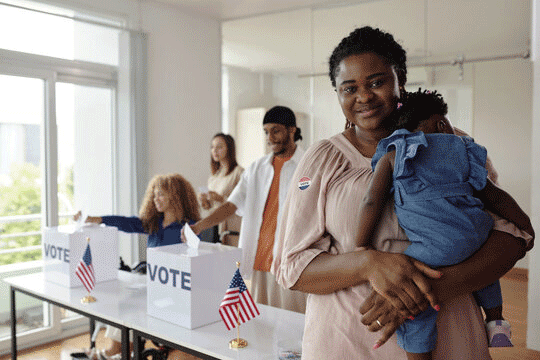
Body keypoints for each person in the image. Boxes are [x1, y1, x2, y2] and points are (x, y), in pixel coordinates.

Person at [271, 26, 534, 360]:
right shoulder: (324, 159)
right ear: (337, 95)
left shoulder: (454, 144)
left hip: (449, 333)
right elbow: (291, 267)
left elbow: (512, 236)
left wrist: (426, 292)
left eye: (377, 82)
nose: (363, 96)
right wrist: (367, 263)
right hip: (349, 339)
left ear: (401, 81)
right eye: (348, 88)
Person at [355, 89, 533, 359]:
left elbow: (371, 202)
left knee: (411, 290)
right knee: (484, 273)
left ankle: (419, 353)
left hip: (436, 245)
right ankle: (496, 321)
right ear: (441, 124)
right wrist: (525, 223)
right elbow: (493, 194)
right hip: (478, 234)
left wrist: (362, 245)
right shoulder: (464, 148)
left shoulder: (394, 154)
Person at [187, 105, 308, 313]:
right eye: (266, 132)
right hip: (258, 262)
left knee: (293, 329)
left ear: (292, 130)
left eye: (276, 130)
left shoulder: (308, 165)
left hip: (291, 262)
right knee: (259, 326)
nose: (269, 137)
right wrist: (199, 227)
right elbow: (231, 205)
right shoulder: (256, 169)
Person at [75, 173, 201, 360]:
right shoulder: (154, 223)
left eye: (161, 194)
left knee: (134, 303)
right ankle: (117, 351)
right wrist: (96, 219)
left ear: (175, 196)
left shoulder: (190, 227)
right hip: (155, 287)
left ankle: (120, 353)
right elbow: (127, 223)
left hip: (178, 293)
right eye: (154, 194)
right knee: (125, 301)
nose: (155, 199)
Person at [198, 133, 244, 246]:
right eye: (212, 147)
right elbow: (210, 208)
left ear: (229, 149)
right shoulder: (213, 177)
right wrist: (204, 201)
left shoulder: (238, 173)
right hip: (214, 228)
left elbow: (243, 203)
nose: (214, 150)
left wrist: (221, 198)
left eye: (219, 147)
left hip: (232, 227)